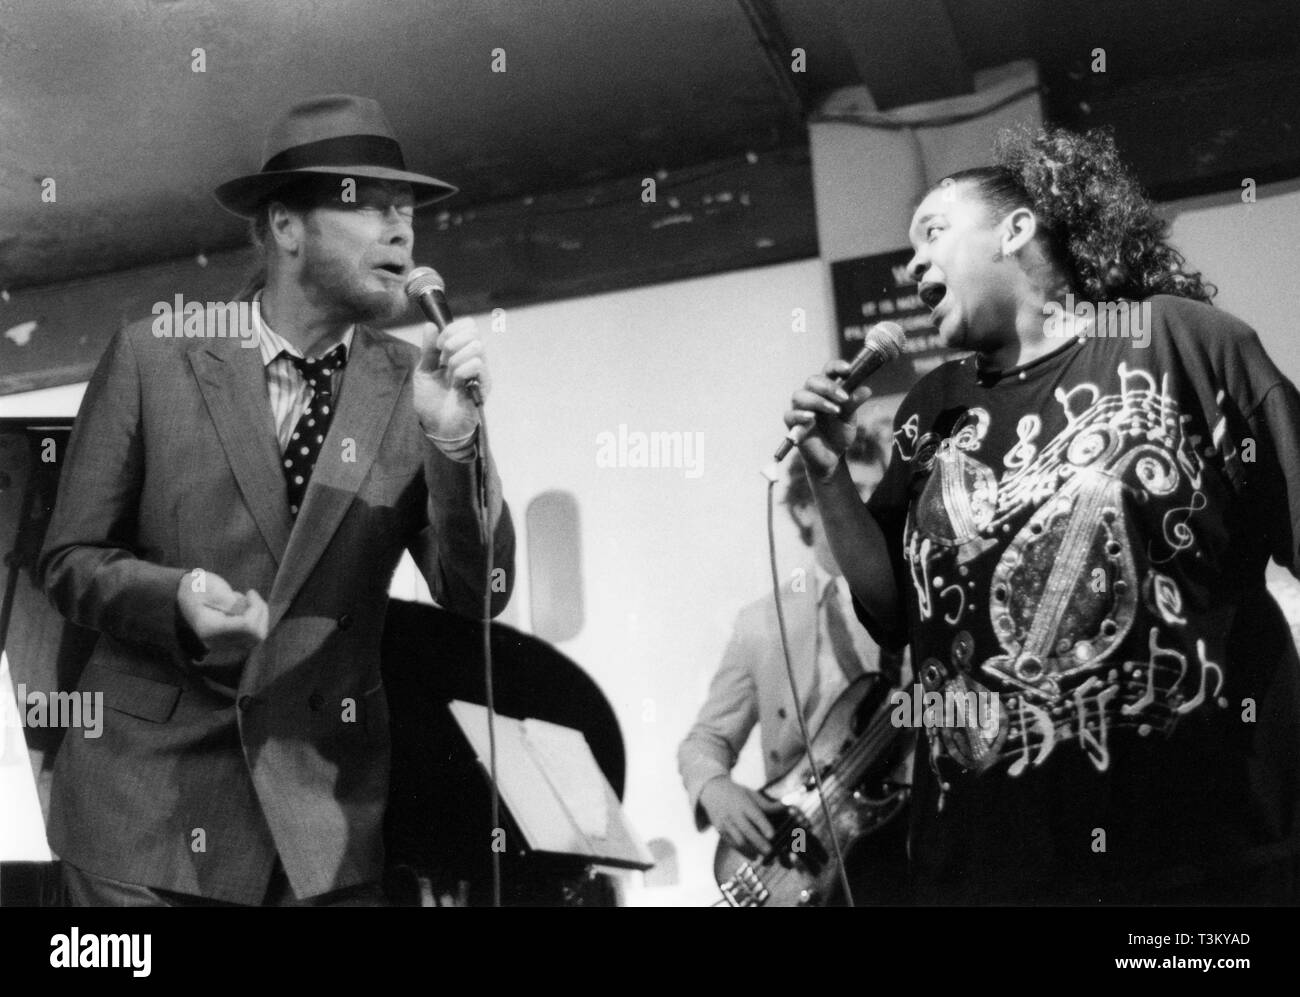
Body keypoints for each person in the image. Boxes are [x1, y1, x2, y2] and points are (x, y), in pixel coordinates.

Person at [786, 125, 1300, 904]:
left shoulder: (1177, 340)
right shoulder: (934, 408)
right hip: (983, 872)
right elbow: (894, 607)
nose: (913, 263)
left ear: (1018, 228)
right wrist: (827, 475)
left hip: (1193, 860)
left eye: (933, 232)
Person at [38, 94, 516, 906]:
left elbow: (480, 594)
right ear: (286, 228)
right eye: (371, 208)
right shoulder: (156, 355)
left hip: (320, 829)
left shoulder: (417, 386)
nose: (402, 230)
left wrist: (454, 443)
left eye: (410, 213)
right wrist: (178, 597)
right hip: (143, 816)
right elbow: (68, 561)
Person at [678, 427, 910, 904]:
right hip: (806, 855)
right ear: (806, 507)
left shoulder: (921, 601)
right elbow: (704, 741)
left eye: (873, 492)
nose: (863, 506)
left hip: (905, 849)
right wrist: (715, 788)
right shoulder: (761, 623)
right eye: (850, 489)